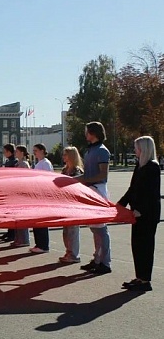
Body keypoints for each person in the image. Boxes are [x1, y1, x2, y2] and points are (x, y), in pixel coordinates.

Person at [118, 136, 161, 292]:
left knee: (145, 246)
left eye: (136, 147)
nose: (134, 150)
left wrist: (140, 210)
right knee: (136, 245)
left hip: (147, 214)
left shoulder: (152, 167)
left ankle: (145, 281)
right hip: (136, 213)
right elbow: (132, 189)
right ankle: (139, 277)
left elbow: (151, 194)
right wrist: (120, 204)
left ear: (143, 149)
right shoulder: (140, 165)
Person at [79, 121, 113, 275]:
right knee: (94, 228)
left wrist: (82, 180)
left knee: (101, 229)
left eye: (87, 131)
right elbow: (87, 174)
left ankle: (105, 262)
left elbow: (102, 175)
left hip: (98, 190)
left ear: (93, 133)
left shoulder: (102, 151)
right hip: (89, 190)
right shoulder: (89, 150)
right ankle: (97, 259)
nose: (85, 134)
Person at [59, 146, 84, 263]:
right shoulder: (64, 170)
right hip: (64, 203)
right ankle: (68, 252)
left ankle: (74, 254)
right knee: (65, 230)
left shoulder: (77, 171)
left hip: (74, 203)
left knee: (73, 230)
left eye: (65, 154)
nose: (63, 157)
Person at [27, 143, 54, 253]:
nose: (34, 152)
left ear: (42, 150)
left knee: (42, 222)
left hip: (43, 195)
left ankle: (43, 245)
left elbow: (48, 179)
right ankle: (39, 244)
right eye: (33, 151)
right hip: (37, 194)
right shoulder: (39, 163)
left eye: (36, 150)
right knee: (36, 221)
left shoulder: (46, 163)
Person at [11, 146, 33, 247]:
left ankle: (24, 239)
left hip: (22, 192)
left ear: (22, 153)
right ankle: (19, 238)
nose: (15, 153)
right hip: (17, 191)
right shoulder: (17, 163)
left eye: (17, 151)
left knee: (22, 217)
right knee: (17, 217)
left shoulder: (24, 164)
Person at [0, 144, 19, 242]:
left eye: (5, 151)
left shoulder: (14, 162)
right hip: (7, 188)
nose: (3, 153)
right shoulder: (8, 161)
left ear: (9, 151)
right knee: (8, 212)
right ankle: (9, 231)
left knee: (12, 212)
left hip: (12, 189)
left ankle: (12, 233)